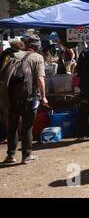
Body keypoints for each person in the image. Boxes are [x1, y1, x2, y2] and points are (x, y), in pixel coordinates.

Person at [3, 35, 48, 164]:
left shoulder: (13, 55)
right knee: (27, 127)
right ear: (37, 46)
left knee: (13, 126)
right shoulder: (37, 57)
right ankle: (26, 156)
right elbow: (40, 79)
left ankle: (10, 156)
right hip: (30, 97)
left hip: (12, 97)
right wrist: (43, 96)